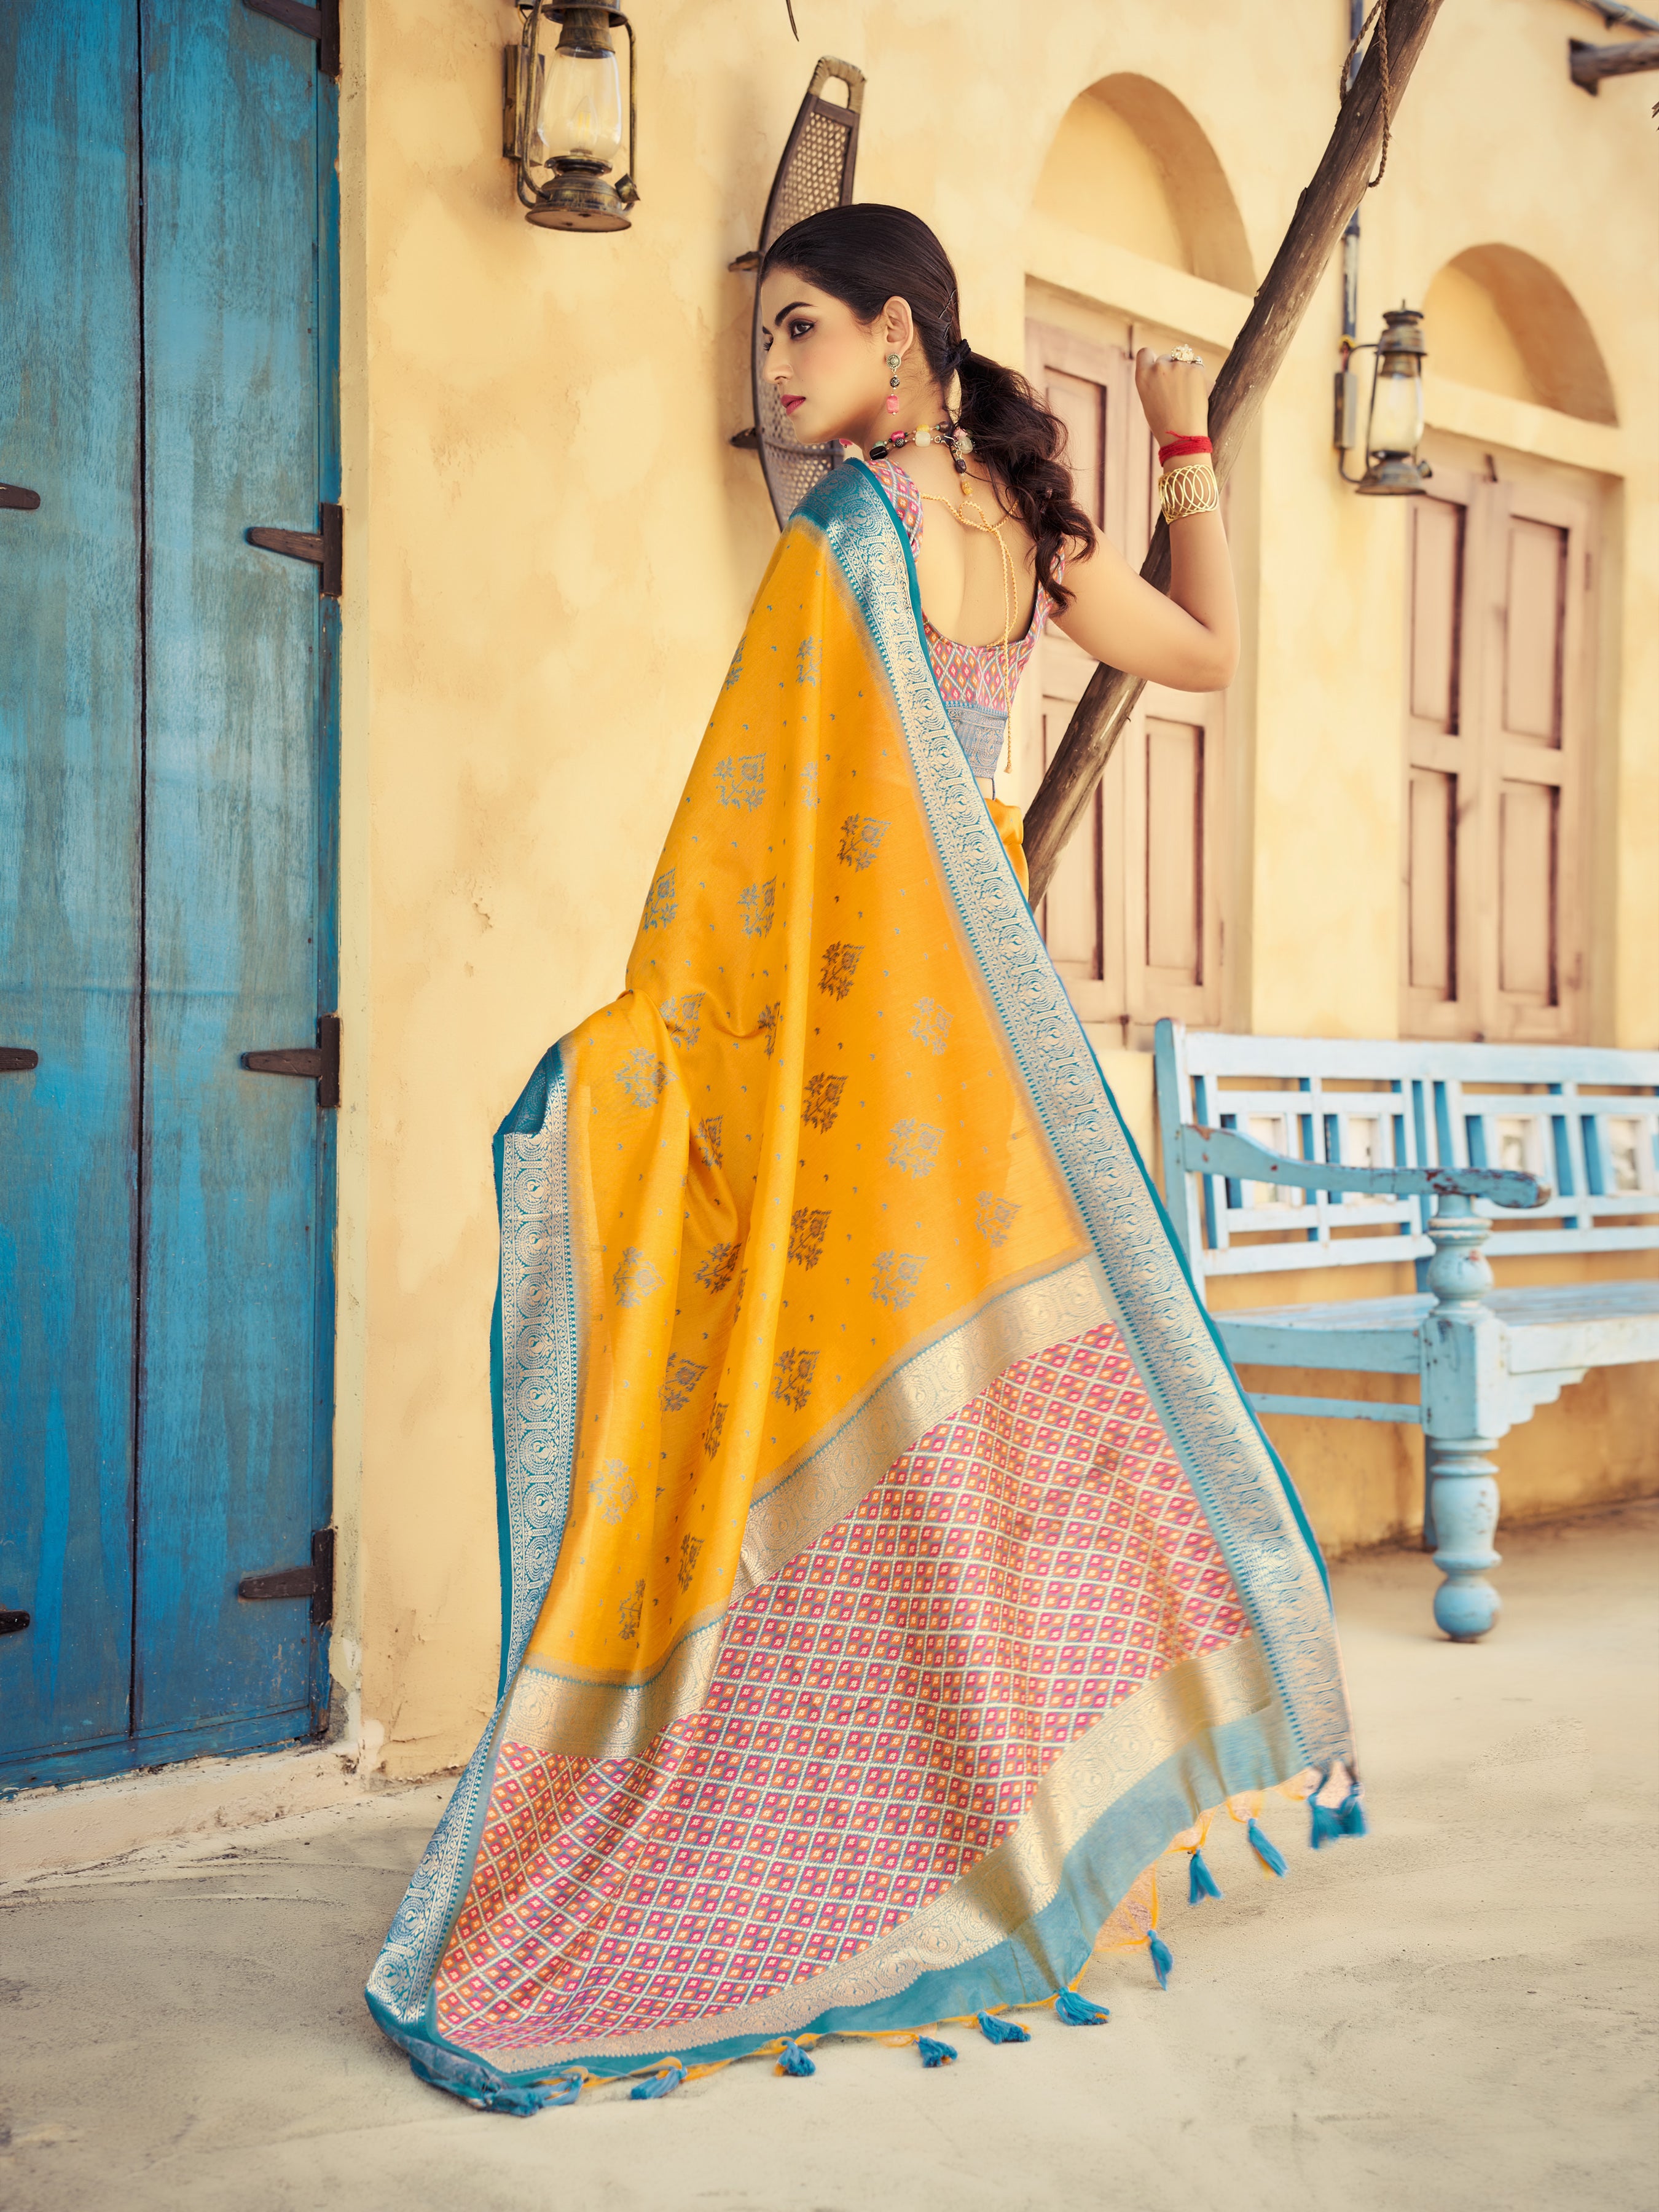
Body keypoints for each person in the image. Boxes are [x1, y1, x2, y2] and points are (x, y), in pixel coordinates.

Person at [367, 205, 1359, 2114]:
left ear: (904, 338)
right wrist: (1183, 442)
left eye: (804, 334)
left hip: (856, 1054)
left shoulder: (853, 537)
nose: (780, 378)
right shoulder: (1021, 524)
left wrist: (654, 1043)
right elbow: (1212, 649)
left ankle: (838, 1810)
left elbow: (743, 842)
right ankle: (982, 1798)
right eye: (771, 346)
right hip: (988, 1048)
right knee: (971, 1415)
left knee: (794, 1397)